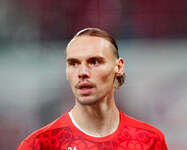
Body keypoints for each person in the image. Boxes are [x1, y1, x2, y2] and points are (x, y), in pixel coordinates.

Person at [17, 28, 168, 150]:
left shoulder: (149, 141)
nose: (82, 72)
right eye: (73, 63)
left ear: (119, 67)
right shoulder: (40, 144)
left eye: (94, 62)